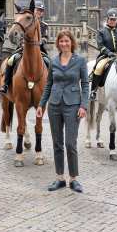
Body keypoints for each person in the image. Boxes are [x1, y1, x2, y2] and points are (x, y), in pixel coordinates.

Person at [36, 30, 89, 193]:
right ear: (57, 44)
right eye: (61, 41)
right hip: (54, 105)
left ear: (71, 42)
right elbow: (48, 85)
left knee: (70, 143)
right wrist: (41, 104)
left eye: (67, 41)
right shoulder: (53, 61)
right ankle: (60, 178)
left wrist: (83, 106)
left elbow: (85, 85)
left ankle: (73, 179)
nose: (64, 44)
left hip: (73, 106)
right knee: (57, 143)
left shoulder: (80, 61)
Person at [0, 1, 49, 94]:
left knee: (49, 63)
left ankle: (52, 86)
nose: (39, 12)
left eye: (41, 11)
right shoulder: (25, 21)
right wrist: (22, 43)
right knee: (10, 61)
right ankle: (5, 84)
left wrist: (41, 41)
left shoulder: (44, 25)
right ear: (34, 10)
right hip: (23, 49)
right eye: (38, 10)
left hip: (39, 50)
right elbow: (20, 34)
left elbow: (45, 37)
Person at [90, 8, 117, 99]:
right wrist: (109, 53)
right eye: (111, 19)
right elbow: (100, 46)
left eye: (115, 20)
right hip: (106, 56)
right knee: (98, 67)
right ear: (107, 19)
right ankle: (93, 91)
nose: (113, 21)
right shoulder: (101, 32)